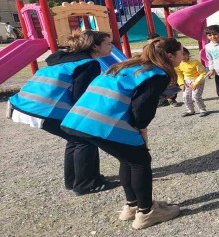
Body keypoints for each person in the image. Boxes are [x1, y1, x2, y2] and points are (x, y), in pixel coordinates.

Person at [60, 37, 183, 229]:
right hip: (102, 123)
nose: (182, 56)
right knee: (140, 161)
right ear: (169, 55)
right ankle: (146, 212)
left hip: (77, 120)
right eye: (181, 52)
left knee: (128, 159)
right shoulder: (157, 73)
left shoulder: (129, 65)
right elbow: (142, 108)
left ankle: (132, 206)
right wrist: (141, 128)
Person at [9, 30, 118, 195]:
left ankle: (74, 180)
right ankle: (86, 184)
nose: (112, 46)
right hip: (41, 109)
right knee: (85, 138)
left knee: (74, 139)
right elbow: (80, 97)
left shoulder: (65, 59)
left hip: (23, 104)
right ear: (95, 46)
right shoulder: (89, 64)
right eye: (108, 43)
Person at [176, 47, 211, 118]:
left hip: (197, 80)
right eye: (180, 55)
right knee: (185, 96)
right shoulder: (178, 63)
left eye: (184, 54)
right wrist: (181, 83)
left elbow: (203, 73)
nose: (182, 57)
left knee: (195, 96)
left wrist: (196, 83)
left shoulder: (195, 61)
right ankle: (190, 110)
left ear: (188, 54)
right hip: (186, 81)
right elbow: (179, 74)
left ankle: (202, 110)